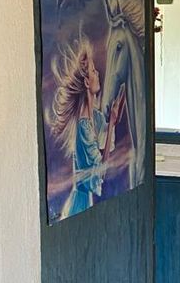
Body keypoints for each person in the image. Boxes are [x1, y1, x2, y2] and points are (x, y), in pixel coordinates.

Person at [50, 35, 125, 217]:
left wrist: (113, 119)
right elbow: (101, 168)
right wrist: (112, 124)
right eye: (93, 71)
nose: (97, 73)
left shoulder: (95, 117)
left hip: (86, 201)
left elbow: (106, 140)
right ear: (86, 82)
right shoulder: (83, 126)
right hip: (79, 203)